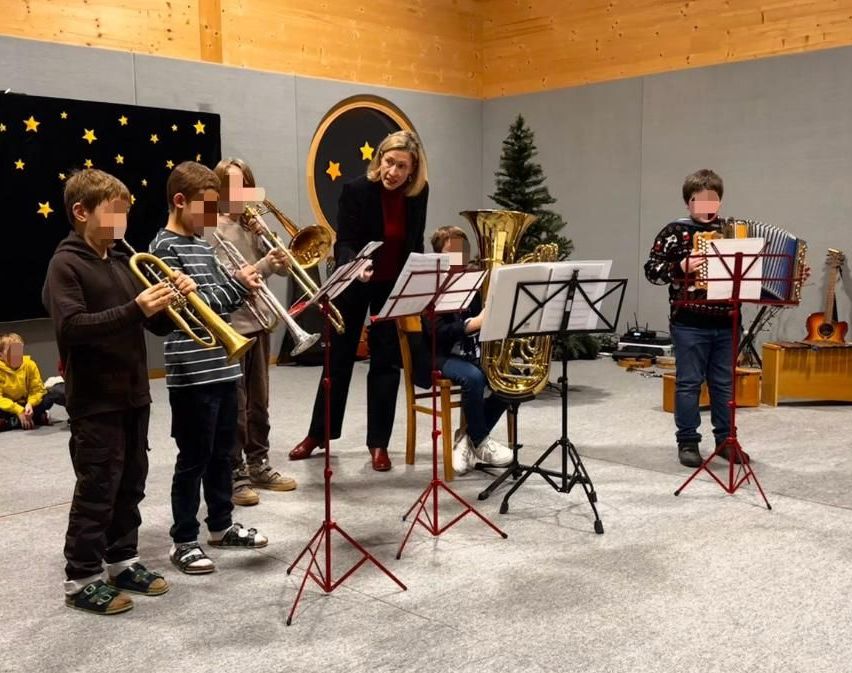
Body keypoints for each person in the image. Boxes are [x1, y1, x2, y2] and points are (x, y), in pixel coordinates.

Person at [43, 168, 186, 615]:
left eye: (126, 213)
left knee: (131, 484)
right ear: (81, 211)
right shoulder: (65, 264)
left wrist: (171, 300)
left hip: (133, 394)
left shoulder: (123, 259)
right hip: (94, 401)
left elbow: (154, 325)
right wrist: (134, 307)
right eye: (114, 213)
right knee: (98, 486)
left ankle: (122, 560)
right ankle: (81, 576)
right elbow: (72, 327)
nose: (122, 223)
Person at [149, 161, 269, 575]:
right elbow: (194, 306)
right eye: (207, 207)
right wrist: (234, 284)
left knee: (222, 453)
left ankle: (219, 525)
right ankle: (184, 539)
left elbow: (221, 299)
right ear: (180, 202)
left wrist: (237, 284)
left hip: (223, 365)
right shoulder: (164, 248)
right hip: (191, 371)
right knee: (193, 458)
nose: (215, 217)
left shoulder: (202, 245)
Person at [289, 130, 429, 471]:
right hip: (356, 279)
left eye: (401, 166)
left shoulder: (418, 193)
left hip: (392, 285)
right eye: (388, 162)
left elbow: (415, 239)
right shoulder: (356, 190)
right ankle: (318, 435)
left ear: (412, 171)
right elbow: (345, 241)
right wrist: (355, 264)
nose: (392, 172)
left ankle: (378, 444)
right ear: (379, 159)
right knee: (337, 359)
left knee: (385, 363)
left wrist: (418, 282)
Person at [644, 168, 747, 468]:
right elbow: (652, 270)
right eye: (698, 202)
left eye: (712, 202)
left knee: (724, 384)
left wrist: (787, 277)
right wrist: (681, 267)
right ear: (688, 202)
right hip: (689, 321)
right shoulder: (674, 232)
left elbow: (752, 273)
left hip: (728, 321)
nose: (706, 209)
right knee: (689, 384)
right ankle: (688, 441)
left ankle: (726, 440)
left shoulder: (734, 232)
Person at [212, 158, 296, 507]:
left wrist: (280, 258)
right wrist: (263, 265)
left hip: (259, 322)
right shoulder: (210, 226)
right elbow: (229, 278)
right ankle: (234, 470)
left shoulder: (252, 224)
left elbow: (272, 270)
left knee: (259, 402)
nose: (240, 193)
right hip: (231, 326)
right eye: (232, 186)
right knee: (236, 404)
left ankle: (259, 461)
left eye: (244, 185)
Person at [423, 226, 513, 474]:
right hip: (438, 355)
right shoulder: (430, 284)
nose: (460, 259)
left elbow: (482, 321)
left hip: (469, 351)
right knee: (474, 378)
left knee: (508, 378)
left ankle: (466, 438)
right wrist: (472, 324)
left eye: (463, 252)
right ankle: (481, 442)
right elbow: (436, 333)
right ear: (439, 255)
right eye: (452, 252)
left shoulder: (471, 280)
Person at [0, 333, 61, 431]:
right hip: (9, 407)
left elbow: (37, 390)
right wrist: (18, 410)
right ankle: (36, 418)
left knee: (50, 395)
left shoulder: (30, 365)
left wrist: (30, 404)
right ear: (1, 355)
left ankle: (11, 422)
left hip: (28, 405)